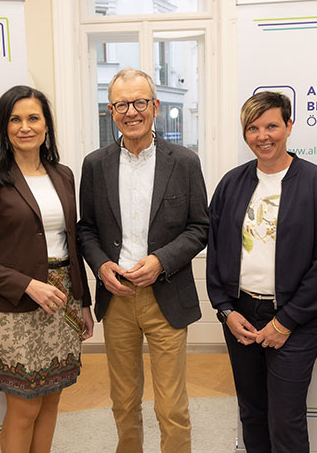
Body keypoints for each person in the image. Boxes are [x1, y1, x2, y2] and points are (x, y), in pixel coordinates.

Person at [77, 67, 209, 453]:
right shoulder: (94, 164)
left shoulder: (184, 162)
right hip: (117, 299)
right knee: (124, 401)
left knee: (171, 406)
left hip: (166, 295)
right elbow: (86, 230)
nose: (131, 111)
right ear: (111, 109)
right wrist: (101, 266)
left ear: (154, 105)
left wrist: (161, 261)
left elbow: (200, 227)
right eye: (121, 104)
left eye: (139, 102)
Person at [0, 85, 94, 453]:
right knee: (23, 407)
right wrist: (28, 285)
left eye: (33, 118)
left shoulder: (62, 174)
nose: (24, 127)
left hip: (63, 298)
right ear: (3, 128)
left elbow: (72, 241)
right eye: (14, 119)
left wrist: (83, 301)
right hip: (17, 306)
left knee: (52, 399)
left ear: (46, 125)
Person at [206, 91, 317, 452]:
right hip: (241, 316)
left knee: (286, 419)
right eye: (253, 128)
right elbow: (216, 252)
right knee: (251, 413)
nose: (263, 136)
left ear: (289, 126)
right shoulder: (231, 184)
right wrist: (225, 311)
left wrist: (286, 322)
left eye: (271, 125)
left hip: (294, 320)